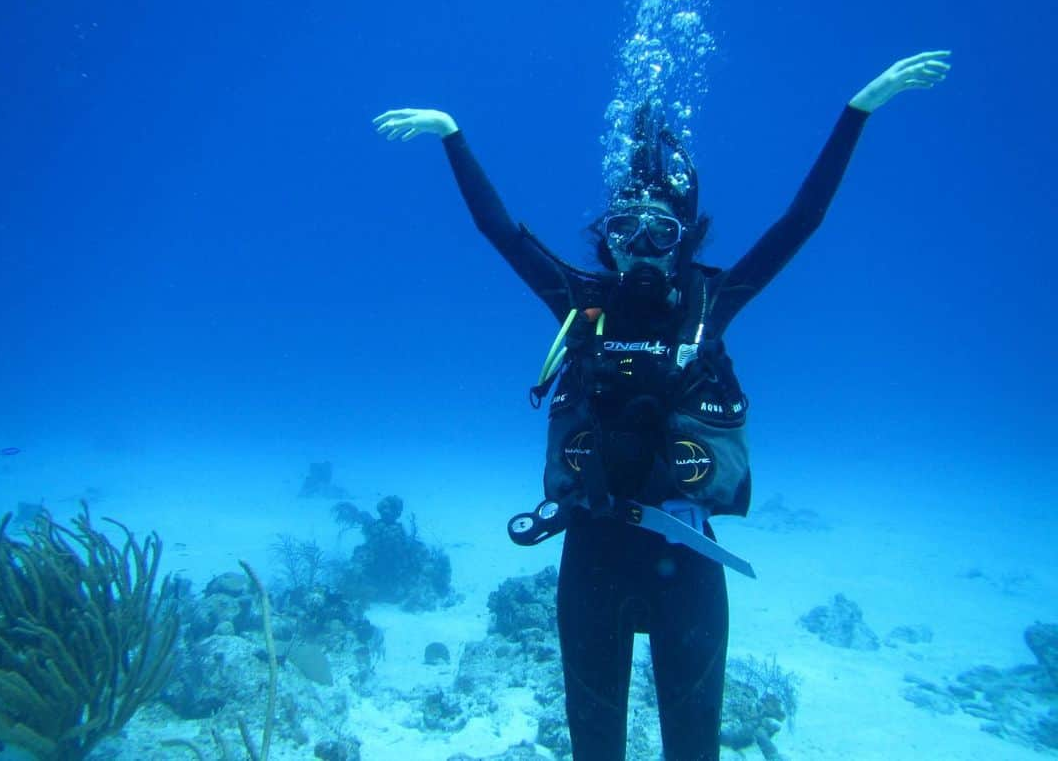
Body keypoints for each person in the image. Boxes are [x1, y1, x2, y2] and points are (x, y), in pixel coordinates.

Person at [373, 50, 950, 761]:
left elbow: (799, 222)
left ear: (684, 237)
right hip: (593, 557)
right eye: (625, 234)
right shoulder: (582, 304)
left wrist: (856, 111)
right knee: (595, 751)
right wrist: (452, 135)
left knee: (693, 750)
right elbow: (500, 231)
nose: (640, 252)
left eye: (660, 235)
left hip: (690, 561)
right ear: (607, 239)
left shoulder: (708, 305)